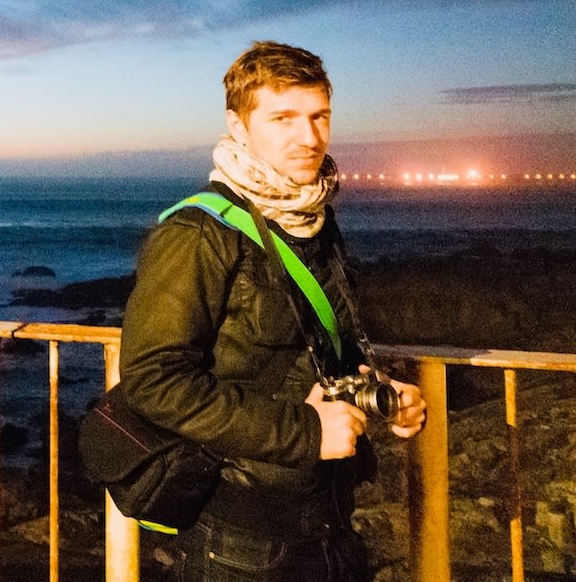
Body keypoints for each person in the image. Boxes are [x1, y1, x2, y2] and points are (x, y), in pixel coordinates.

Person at [119, 41, 427, 581]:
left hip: (329, 517)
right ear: (238, 127)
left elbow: (319, 344)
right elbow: (152, 379)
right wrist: (306, 434)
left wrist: (380, 389)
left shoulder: (313, 219)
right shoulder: (197, 234)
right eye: (282, 118)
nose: (308, 138)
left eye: (319, 116)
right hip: (240, 539)